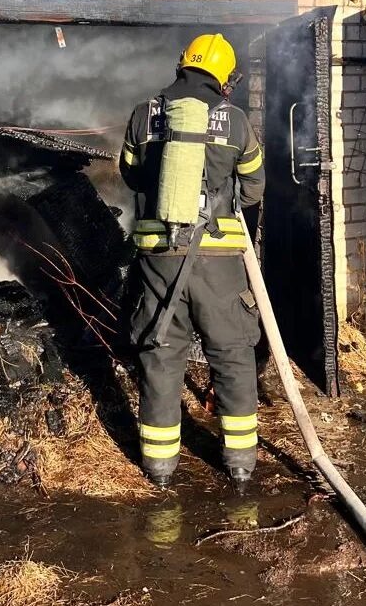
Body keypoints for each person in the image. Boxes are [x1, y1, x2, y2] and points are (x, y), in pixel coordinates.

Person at [119, 33, 265, 491]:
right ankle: (240, 464)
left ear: (182, 65)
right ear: (223, 76)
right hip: (219, 261)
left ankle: (160, 469)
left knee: (161, 357)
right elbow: (256, 186)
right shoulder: (236, 121)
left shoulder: (145, 114)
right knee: (233, 355)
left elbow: (129, 172)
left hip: (160, 258)